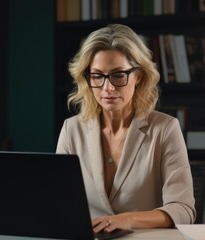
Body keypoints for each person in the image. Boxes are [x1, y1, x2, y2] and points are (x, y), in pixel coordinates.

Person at [56, 23, 196, 233]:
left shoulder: (165, 129)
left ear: (138, 76)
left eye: (118, 75)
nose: (108, 88)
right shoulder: (71, 129)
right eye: (97, 76)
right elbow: (58, 203)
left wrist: (127, 219)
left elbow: (183, 210)